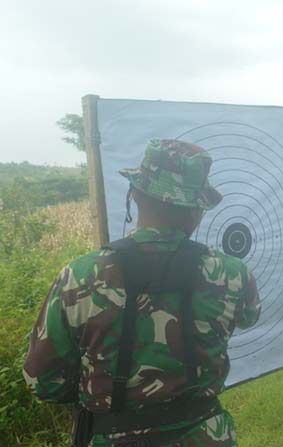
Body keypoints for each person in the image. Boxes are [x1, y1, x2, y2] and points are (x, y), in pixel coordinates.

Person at [23, 139, 261, 447]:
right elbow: (249, 317)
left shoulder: (80, 276)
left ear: (134, 194)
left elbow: (41, 381)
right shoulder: (233, 274)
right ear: (197, 211)